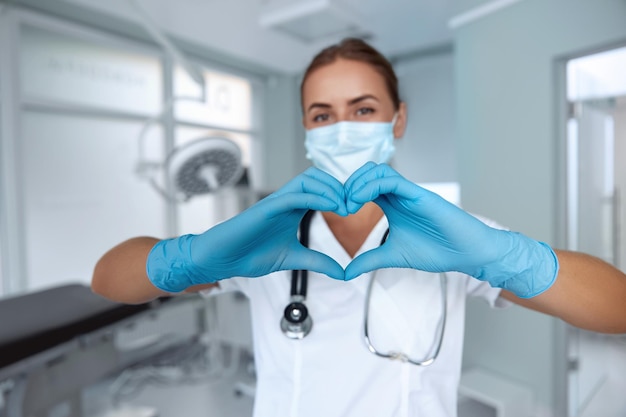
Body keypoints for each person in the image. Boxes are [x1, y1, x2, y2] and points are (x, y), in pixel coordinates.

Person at [92, 38, 626, 417]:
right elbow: (108, 280)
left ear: (398, 120)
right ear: (306, 130)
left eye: (363, 109)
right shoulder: (265, 242)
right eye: (322, 115)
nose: (342, 129)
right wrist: (191, 258)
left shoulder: (455, 238)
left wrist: (504, 255)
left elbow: (615, 308)